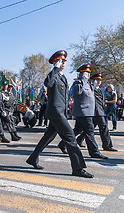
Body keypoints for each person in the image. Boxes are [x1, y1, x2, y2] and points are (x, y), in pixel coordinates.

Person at [26, 50, 93, 178]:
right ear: (55, 63)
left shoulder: (62, 77)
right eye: (60, 61)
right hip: (55, 112)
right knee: (71, 139)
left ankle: (33, 158)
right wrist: (55, 69)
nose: (63, 63)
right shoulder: (54, 75)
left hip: (59, 112)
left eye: (64, 61)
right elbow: (48, 83)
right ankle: (78, 168)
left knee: (48, 137)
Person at [58, 64, 108, 159]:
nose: (88, 75)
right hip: (83, 112)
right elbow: (77, 92)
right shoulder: (78, 82)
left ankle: (63, 144)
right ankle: (94, 152)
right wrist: (83, 79)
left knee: (77, 130)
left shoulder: (87, 83)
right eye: (87, 73)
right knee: (90, 132)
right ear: (82, 73)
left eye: (89, 73)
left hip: (88, 112)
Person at [76, 73, 117, 152]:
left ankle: (79, 140)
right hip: (95, 111)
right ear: (93, 80)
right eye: (97, 80)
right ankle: (107, 145)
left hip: (99, 111)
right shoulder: (91, 88)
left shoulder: (99, 90)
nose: (99, 81)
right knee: (103, 128)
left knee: (89, 130)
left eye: (100, 80)